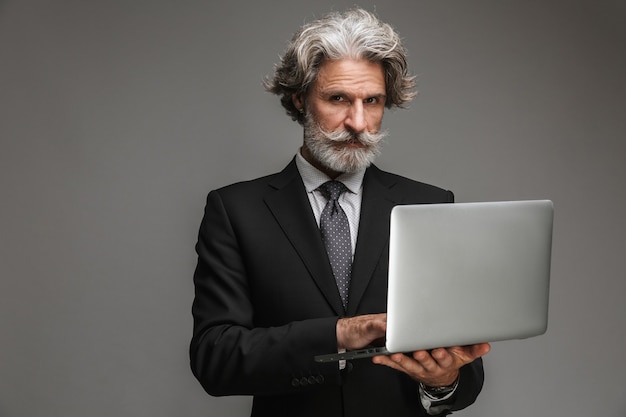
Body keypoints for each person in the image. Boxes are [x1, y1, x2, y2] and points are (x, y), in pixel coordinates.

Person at [190, 8, 490, 417]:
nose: (358, 122)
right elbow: (215, 358)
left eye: (373, 101)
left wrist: (442, 381)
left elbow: (466, 375)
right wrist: (339, 335)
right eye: (338, 99)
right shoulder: (235, 211)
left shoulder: (431, 205)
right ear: (300, 97)